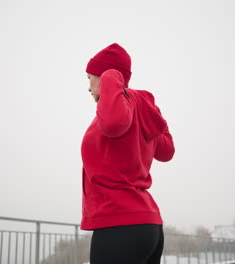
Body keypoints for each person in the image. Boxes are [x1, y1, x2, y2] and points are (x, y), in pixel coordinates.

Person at [81, 43, 175, 264]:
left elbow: (114, 125)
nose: (88, 87)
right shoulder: (137, 110)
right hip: (148, 225)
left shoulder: (120, 111)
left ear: (104, 78)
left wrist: (110, 76)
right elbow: (166, 151)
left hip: (120, 225)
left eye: (89, 78)